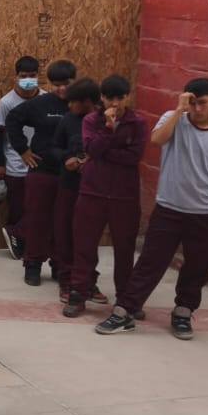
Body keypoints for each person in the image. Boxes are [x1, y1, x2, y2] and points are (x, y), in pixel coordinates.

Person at [96, 78, 208, 340]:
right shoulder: (174, 120)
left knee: (198, 266)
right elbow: (157, 140)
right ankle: (125, 310)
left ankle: (183, 312)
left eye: (202, 103)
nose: (197, 109)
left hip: (206, 211)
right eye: (193, 103)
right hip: (169, 208)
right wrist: (178, 110)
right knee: (150, 262)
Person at [67, 75, 145, 318]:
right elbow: (91, 149)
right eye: (110, 97)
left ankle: (126, 298)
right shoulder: (92, 120)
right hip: (93, 191)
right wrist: (109, 131)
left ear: (127, 97)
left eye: (120, 98)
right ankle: (78, 293)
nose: (115, 103)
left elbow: (133, 157)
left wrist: (104, 152)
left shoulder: (138, 123)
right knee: (84, 245)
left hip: (124, 196)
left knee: (124, 248)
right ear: (101, 98)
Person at [6, 59, 76, 286]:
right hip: (42, 171)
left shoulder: (81, 106)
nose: (61, 89)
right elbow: (12, 119)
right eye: (56, 84)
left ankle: (59, 265)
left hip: (70, 175)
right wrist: (23, 151)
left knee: (63, 223)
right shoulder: (40, 103)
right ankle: (33, 265)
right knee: (37, 220)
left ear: (75, 81)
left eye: (66, 83)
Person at [48, 79, 101, 303]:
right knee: (65, 232)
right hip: (69, 186)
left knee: (88, 236)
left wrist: (91, 160)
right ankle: (67, 280)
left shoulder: (104, 121)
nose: (68, 106)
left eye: (73, 102)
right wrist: (66, 158)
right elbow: (54, 147)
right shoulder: (67, 121)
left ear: (87, 102)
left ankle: (89, 281)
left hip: (94, 189)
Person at [0, 56, 41, 258]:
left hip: (41, 165)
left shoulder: (45, 99)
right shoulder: (6, 102)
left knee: (39, 208)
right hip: (15, 166)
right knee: (18, 208)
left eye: (32, 76)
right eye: (23, 76)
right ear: (16, 77)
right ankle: (17, 244)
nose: (28, 79)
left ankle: (24, 240)